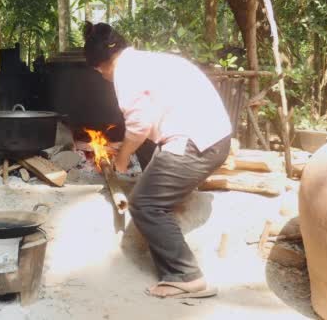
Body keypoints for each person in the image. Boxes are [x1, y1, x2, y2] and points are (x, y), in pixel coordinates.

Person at [83, 22, 232, 299]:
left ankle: (186, 276)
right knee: (150, 180)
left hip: (195, 143)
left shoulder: (125, 72)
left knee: (145, 203)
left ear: (100, 67)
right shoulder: (146, 61)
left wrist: (122, 159)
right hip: (212, 138)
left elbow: (139, 125)